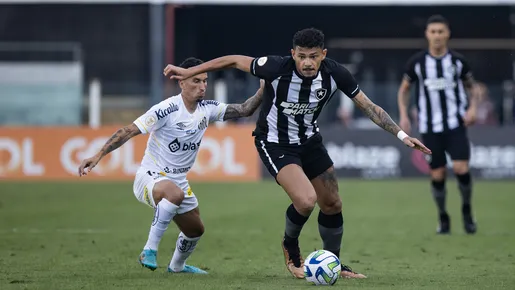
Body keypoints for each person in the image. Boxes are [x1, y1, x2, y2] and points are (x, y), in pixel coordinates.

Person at [164, 28, 431, 279]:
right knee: (306, 201)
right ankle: (291, 248)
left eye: (313, 57)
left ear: (323, 55)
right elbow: (234, 60)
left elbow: (369, 107)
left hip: (310, 142)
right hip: (274, 142)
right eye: (301, 56)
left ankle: (333, 264)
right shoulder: (276, 67)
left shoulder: (335, 73)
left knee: (332, 203)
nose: (307, 63)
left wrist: (402, 135)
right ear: (293, 54)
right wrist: (190, 71)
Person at [78, 57, 264, 274]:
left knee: (195, 230)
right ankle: (149, 249)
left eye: (205, 80)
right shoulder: (166, 109)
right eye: (196, 81)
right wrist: (99, 155)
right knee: (173, 194)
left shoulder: (208, 109)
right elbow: (129, 130)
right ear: (181, 82)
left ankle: (177, 266)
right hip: (150, 176)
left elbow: (244, 110)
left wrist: (262, 90)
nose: (202, 86)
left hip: (178, 180)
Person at [397, 15, 478, 235]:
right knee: (438, 174)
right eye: (433, 32)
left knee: (461, 168)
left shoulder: (458, 62)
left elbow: (472, 88)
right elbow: (404, 90)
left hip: (455, 125)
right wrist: (403, 115)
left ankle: (467, 212)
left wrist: (472, 109)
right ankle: (443, 217)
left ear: (447, 34)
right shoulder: (417, 63)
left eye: (441, 31)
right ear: (427, 34)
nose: (437, 36)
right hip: (430, 128)